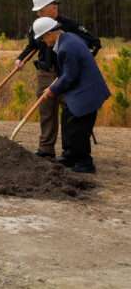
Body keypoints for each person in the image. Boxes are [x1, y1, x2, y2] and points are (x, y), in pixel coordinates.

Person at [16, 0, 102, 158]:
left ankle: (69, 151)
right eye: (38, 12)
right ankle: (46, 149)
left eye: (41, 10)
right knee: (46, 111)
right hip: (45, 73)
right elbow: (32, 46)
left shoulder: (69, 26)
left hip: (66, 75)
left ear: (53, 8)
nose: (39, 14)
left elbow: (94, 44)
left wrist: (79, 66)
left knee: (70, 113)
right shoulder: (37, 26)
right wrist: (20, 59)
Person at [33, 16, 110, 173]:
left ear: (50, 33)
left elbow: (70, 76)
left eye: (42, 37)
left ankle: (84, 163)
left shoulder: (67, 47)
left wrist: (52, 90)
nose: (43, 41)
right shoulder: (67, 39)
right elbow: (67, 74)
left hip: (87, 92)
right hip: (80, 90)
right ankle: (70, 156)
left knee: (78, 129)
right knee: (68, 121)